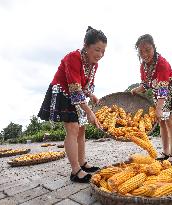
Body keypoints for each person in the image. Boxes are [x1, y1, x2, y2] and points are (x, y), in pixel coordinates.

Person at [38, 26, 107, 183]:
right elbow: (75, 89)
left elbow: (85, 87)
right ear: (86, 45)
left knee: (81, 130)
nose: (100, 55)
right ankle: (75, 170)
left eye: (103, 51)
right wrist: (89, 112)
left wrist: (92, 95)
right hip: (64, 92)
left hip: (78, 95)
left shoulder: (94, 64)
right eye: (97, 50)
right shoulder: (73, 58)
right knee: (73, 129)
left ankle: (82, 163)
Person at [131, 34, 172, 163]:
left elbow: (164, 87)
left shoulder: (162, 63)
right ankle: (165, 152)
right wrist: (137, 89)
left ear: (154, 47)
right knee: (162, 122)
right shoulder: (143, 66)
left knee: (170, 121)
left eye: (147, 50)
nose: (144, 54)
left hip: (171, 90)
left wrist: (159, 108)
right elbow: (146, 84)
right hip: (158, 93)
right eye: (141, 51)